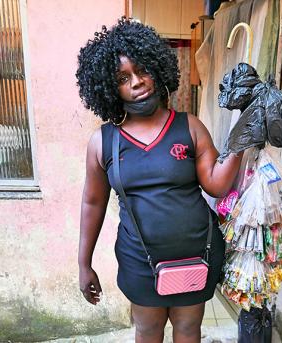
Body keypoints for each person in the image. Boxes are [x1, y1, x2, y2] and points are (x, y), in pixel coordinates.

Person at [76, 17, 245, 343]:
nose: (137, 82)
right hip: (140, 261)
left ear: (158, 68)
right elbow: (92, 202)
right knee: (148, 330)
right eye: (124, 78)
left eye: (143, 71)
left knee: (187, 330)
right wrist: (84, 263)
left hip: (196, 254)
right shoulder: (104, 142)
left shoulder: (190, 127)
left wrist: (242, 138)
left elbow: (216, 184)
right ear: (110, 88)